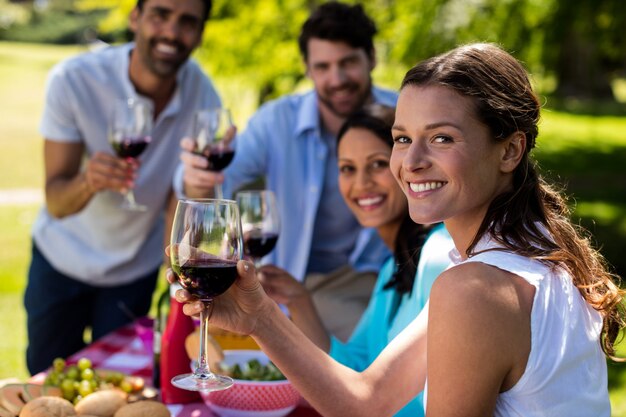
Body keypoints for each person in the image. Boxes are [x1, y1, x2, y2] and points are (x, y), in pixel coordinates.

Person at [170, 43, 625, 416]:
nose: (411, 162)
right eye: (403, 138)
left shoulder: (476, 289)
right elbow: (366, 402)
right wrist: (259, 317)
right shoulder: (526, 255)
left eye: (442, 138)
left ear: (510, 151)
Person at [178, 2, 397, 340]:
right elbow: (217, 183)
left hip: (369, 279)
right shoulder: (277, 120)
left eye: (348, 63)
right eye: (322, 66)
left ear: (371, 57)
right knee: (215, 347)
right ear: (307, 69)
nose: (336, 79)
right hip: (286, 275)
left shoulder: (399, 117)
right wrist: (195, 176)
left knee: (340, 361)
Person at [25, 0, 220, 375]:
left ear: (199, 34)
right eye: (160, 15)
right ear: (135, 18)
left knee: (117, 381)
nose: (171, 32)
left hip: (134, 270)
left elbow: (181, 202)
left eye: (187, 22)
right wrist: (89, 181)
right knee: (47, 380)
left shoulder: (203, 96)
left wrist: (179, 285)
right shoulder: (74, 79)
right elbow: (57, 201)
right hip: (61, 260)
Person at [258, 104, 453, 417]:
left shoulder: (441, 255)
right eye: (347, 168)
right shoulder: (391, 271)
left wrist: (259, 319)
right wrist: (298, 301)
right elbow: (349, 370)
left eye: (376, 164)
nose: (360, 184)